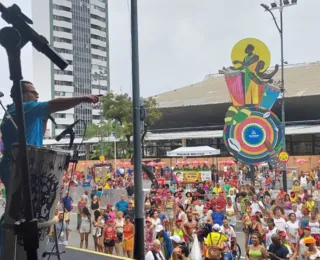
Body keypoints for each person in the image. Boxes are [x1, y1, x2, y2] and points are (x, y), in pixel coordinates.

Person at [0, 80, 100, 190]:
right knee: (22, 204)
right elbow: (55, 105)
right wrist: (82, 98)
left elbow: (38, 135)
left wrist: (44, 119)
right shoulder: (23, 108)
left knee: (24, 204)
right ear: (22, 95)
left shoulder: (23, 112)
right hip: (17, 166)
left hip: (20, 165)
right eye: (33, 92)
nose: (37, 95)